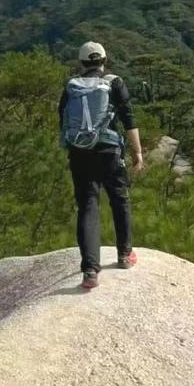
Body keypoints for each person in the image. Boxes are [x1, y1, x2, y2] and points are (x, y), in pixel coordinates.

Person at [60, 40, 144, 291]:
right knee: (119, 198)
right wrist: (138, 153)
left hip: (80, 153)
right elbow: (129, 118)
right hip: (109, 151)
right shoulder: (114, 83)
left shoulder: (71, 86)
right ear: (104, 61)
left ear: (81, 63)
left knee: (88, 206)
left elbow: (62, 120)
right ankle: (125, 255)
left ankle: (90, 271)